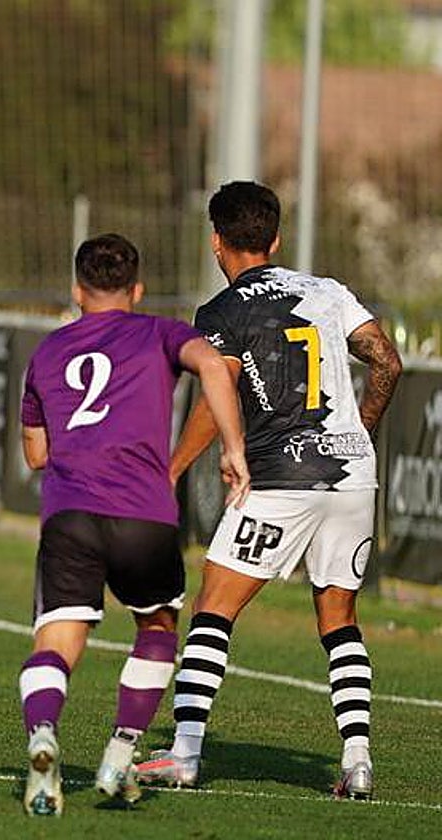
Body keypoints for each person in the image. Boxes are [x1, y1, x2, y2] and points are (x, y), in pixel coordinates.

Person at [134, 181, 402, 800]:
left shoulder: (223, 313)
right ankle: (357, 758)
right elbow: (387, 361)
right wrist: (357, 432)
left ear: (216, 243)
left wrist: (172, 467)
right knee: (339, 619)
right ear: (276, 239)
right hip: (353, 474)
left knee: (213, 608)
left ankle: (185, 752)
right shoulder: (328, 292)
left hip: (283, 478)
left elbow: (218, 394)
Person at [17, 233, 250, 817]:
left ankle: (43, 735)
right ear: (138, 290)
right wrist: (232, 448)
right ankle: (121, 753)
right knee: (157, 627)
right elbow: (218, 372)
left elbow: (36, 454)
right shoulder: (160, 332)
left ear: (77, 291)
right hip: (143, 513)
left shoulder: (47, 353)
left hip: (69, 514)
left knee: (58, 641)